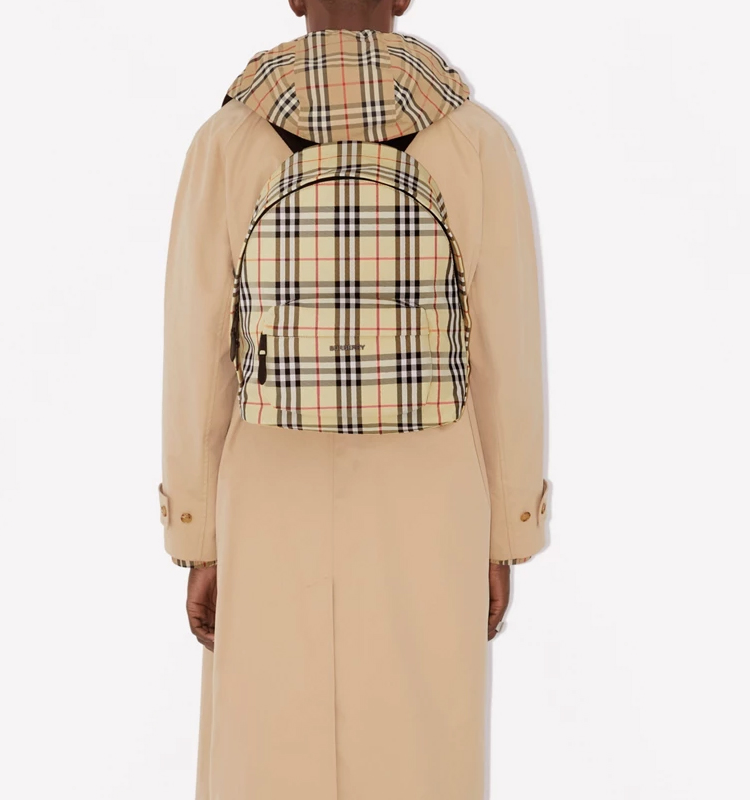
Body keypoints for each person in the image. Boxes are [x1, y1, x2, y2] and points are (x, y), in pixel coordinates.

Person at [158, 1, 549, 797]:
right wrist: (507, 532)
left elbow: (197, 354)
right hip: (432, 484)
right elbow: (508, 350)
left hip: (269, 484)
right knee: (423, 746)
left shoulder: (226, 142)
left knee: (267, 747)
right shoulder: (478, 142)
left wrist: (197, 536)